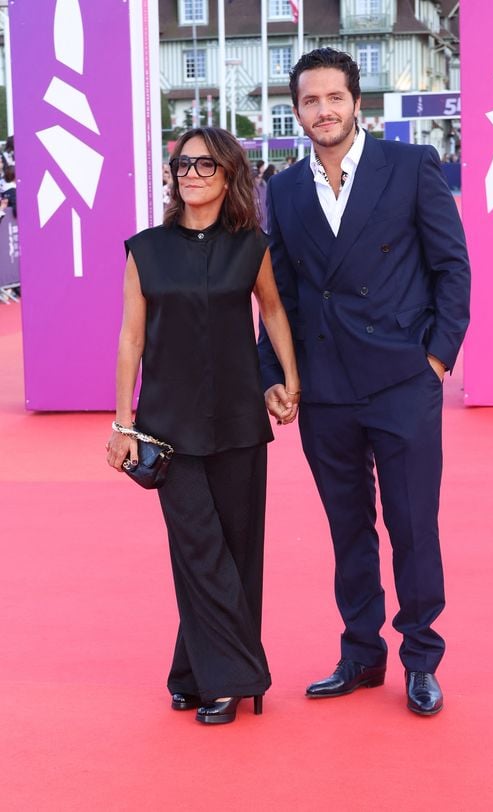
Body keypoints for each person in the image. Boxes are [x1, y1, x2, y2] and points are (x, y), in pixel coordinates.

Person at [258, 48, 470, 715]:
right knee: (348, 530)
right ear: (297, 112)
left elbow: (452, 270)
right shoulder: (284, 189)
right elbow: (280, 295)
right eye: (309, 102)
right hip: (325, 389)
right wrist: (275, 374)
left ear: (358, 103)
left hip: (403, 381)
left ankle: (421, 659)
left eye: (334, 98)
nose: (323, 111)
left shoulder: (409, 168)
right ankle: (359, 653)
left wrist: (434, 359)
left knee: (413, 526)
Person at [106, 127, 300, 725]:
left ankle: (192, 671)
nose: (191, 174)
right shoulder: (145, 249)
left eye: (205, 165)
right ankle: (235, 678)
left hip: (241, 421)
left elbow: (270, 309)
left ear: (228, 176)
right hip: (168, 429)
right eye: (183, 164)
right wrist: (122, 423)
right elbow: (131, 337)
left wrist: (291, 381)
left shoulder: (252, 247)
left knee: (238, 551)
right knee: (199, 550)